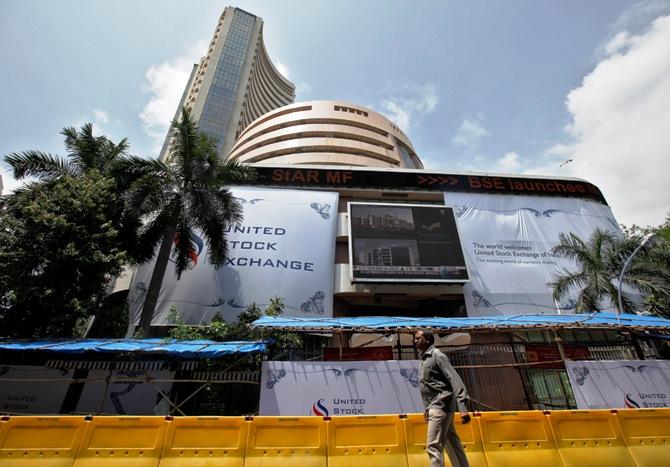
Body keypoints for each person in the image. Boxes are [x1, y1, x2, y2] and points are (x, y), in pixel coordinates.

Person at [414, 329, 471, 467]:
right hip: (435, 406)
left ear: (427, 339)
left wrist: (462, 407)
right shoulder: (424, 358)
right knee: (453, 445)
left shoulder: (437, 356)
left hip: (441, 406)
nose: (415, 341)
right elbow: (430, 386)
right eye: (415, 339)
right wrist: (427, 408)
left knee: (433, 446)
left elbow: (455, 380)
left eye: (418, 338)